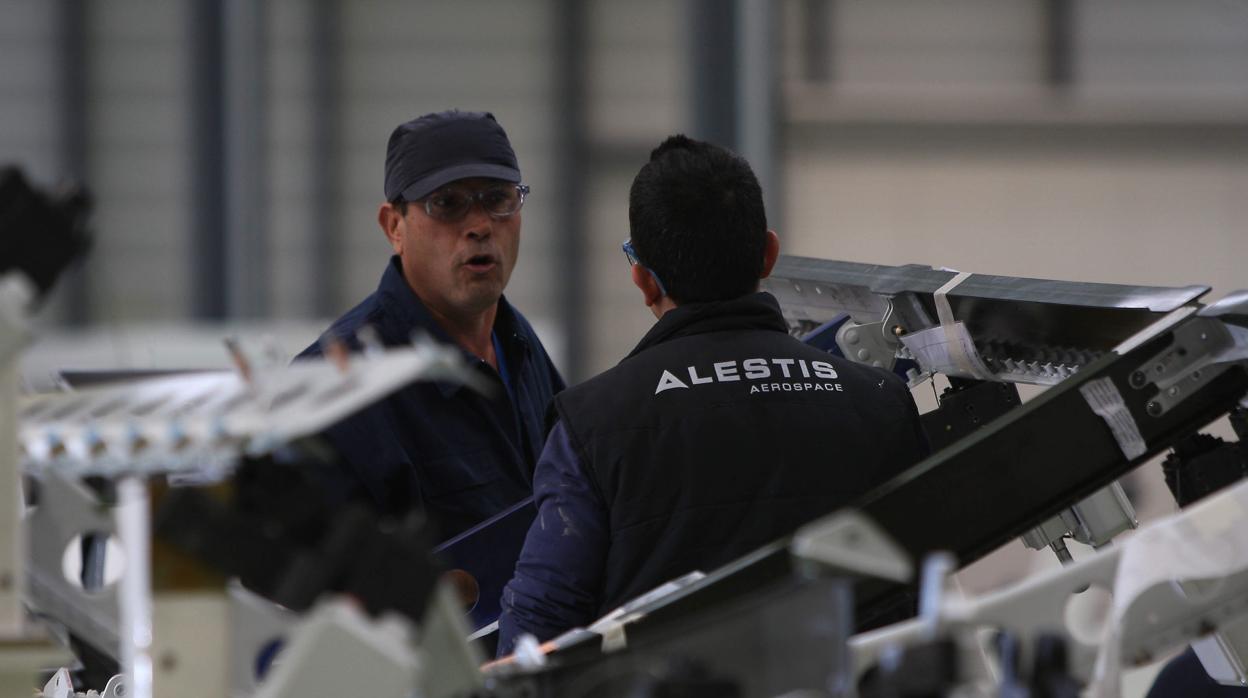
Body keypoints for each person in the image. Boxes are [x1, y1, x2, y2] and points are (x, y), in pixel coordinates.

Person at [496, 135, 929, 654]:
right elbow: (920, 599)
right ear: (768, 253)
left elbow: (536, 635)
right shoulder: (881, 401)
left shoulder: (591, 425)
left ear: (643, 280)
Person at [298, 110, 565, 541]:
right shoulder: (336, 390)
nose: (479, 227)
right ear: (394, 226)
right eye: (446, 203)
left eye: (498, 200)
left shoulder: (520, 345)